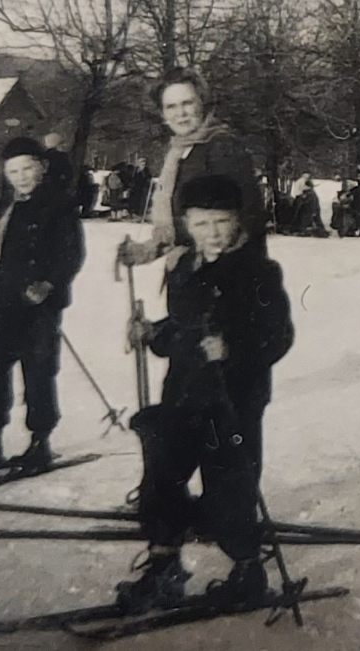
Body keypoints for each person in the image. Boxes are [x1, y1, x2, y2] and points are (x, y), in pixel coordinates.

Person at [118, 174, 293, 613]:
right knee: (162, 478)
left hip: (231, 399)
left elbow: (279, 336)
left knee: (229, 484)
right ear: (186, 224)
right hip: (182, 392)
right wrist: (151, 333)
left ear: (237, 222)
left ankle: (248, 571)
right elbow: (181, 327)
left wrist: (233, 350)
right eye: (200, 224)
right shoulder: (181, 267)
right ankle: (164, 567)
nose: (211, 233)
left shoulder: (258, 271)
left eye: (220, 222)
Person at [0, 137, 86, 474]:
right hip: (2, 303)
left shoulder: (60, 206)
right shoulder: (12, 205)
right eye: (14, 171)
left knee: (38, 372)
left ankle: (39, 443)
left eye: (28, 168)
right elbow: (3, 250)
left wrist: (48, 283)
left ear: (42, 167)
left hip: (37, 306)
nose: (21, 176)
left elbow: (71, 254)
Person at [116, 68, 265, 268]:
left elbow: (244, 221)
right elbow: (182, 221)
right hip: (188, 272)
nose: (181, 114)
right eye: (171, 107)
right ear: (162, 113)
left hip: (221, 275)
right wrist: (147, 250)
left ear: (202, 103)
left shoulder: (222, 147)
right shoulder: (179, 152)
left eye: (187, 103)